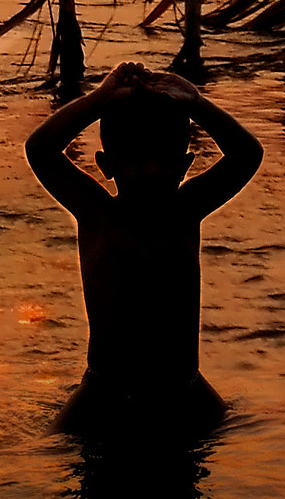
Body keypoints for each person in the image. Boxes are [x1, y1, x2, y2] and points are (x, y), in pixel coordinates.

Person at [25, 61, 263, 438]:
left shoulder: (186, 210)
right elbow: (40, 149)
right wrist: (98, 101)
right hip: (105, 393)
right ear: (106, 165)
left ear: (185, 166)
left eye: (166, 161)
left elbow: (247, 154)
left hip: (183, 389)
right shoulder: (97, 212)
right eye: (137, 160)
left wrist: (196, 103)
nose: (152, 170)